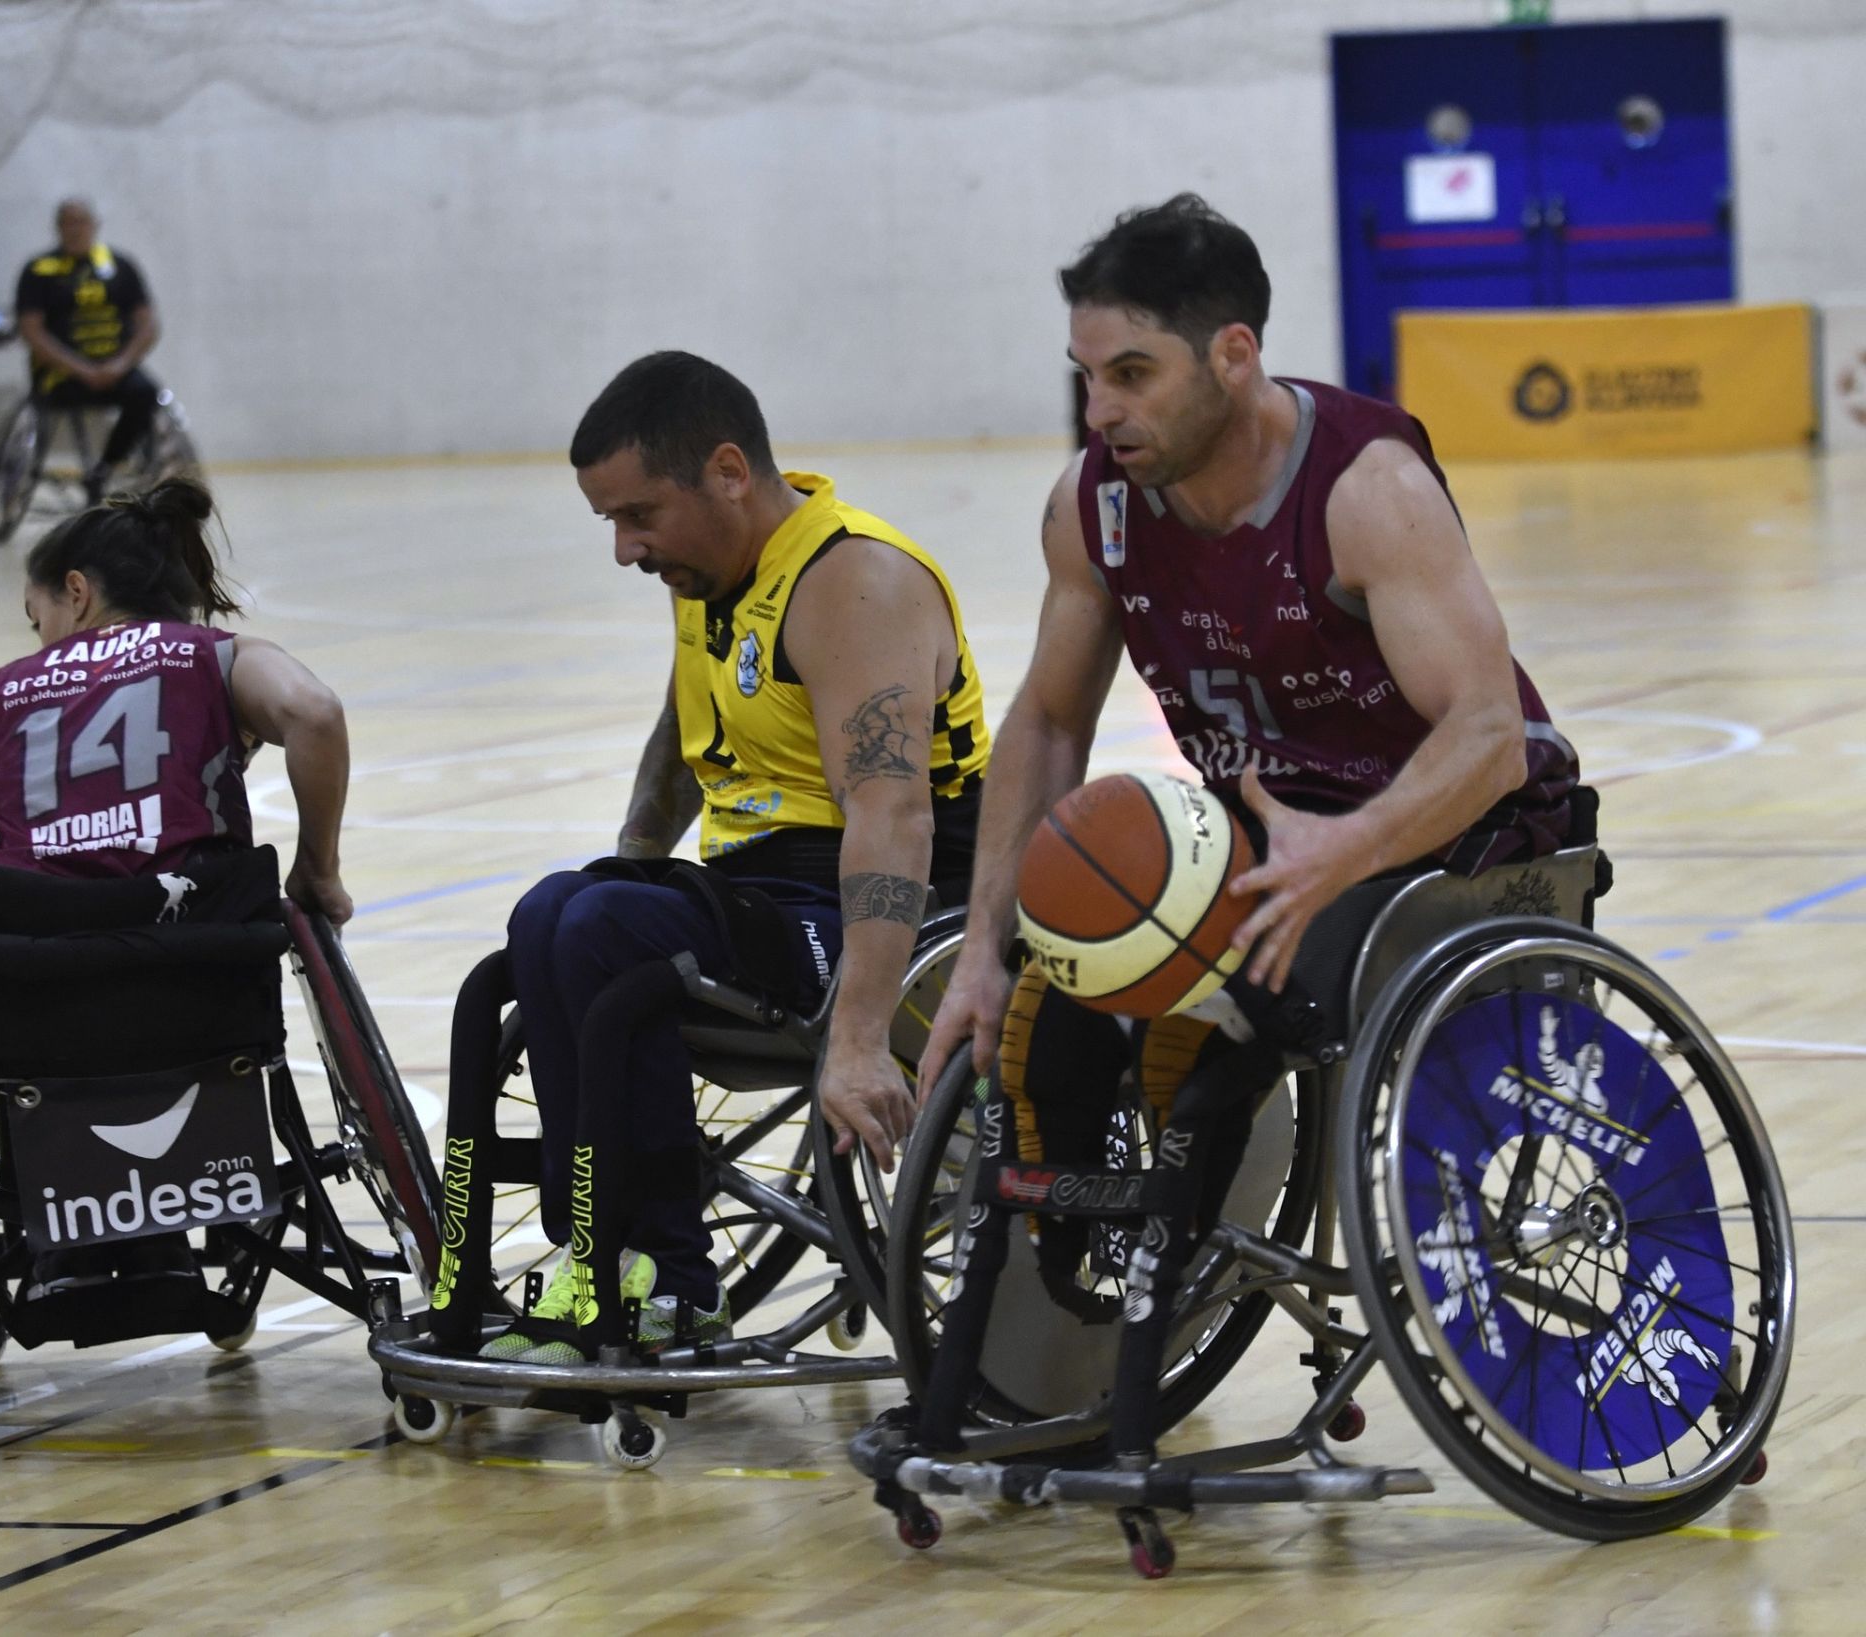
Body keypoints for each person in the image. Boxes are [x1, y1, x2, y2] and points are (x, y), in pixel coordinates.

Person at [918, 193, 1580, 1256]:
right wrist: (985, 949)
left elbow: (1487, 734)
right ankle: (1068, 1310)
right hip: (1270, 835)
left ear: (1233, 354)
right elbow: (1045, 724)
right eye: (1086, 376)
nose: (1100, 410)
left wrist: (1347, 847)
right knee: (1056, 1002)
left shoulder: (1367, 488)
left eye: (1132, 374)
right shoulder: (1095, 505)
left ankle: (1180, 1257)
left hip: (1459, 829)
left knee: (1223, 1008)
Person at [478, 351, 990, 1363]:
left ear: (726, 470)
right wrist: (629, 861)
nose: (625, 549)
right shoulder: (710, 571)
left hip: (894, 907)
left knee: (607, 929)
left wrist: (857, 1036)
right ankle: (598, 1251)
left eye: (637, 516)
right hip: (763, 890)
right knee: (552, 910)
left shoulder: (853, 582)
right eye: (610, 523)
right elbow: (685, 731)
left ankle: (671, 1278)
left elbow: (893, 819)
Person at [0, 476, 353, 1297]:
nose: (42, 640)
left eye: (39, 619)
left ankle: (61, 1225)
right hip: (203, 992)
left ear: (76, 591)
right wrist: (319, 868)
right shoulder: (219, 657)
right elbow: (313, 711)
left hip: (35, 1005)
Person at [14, 199, 164, 504]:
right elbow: (31, 330)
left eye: (81, 222)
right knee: (57, 398)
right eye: (68, 223)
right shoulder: (38, 271)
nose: (75, 229)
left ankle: (103, 469)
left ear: (94, 225)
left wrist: (120, 365)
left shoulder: (120, 266)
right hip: (61, 376)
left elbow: (147, 325)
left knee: (145, 392)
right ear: (57, 228)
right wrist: (82, 369)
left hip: (115, 371)